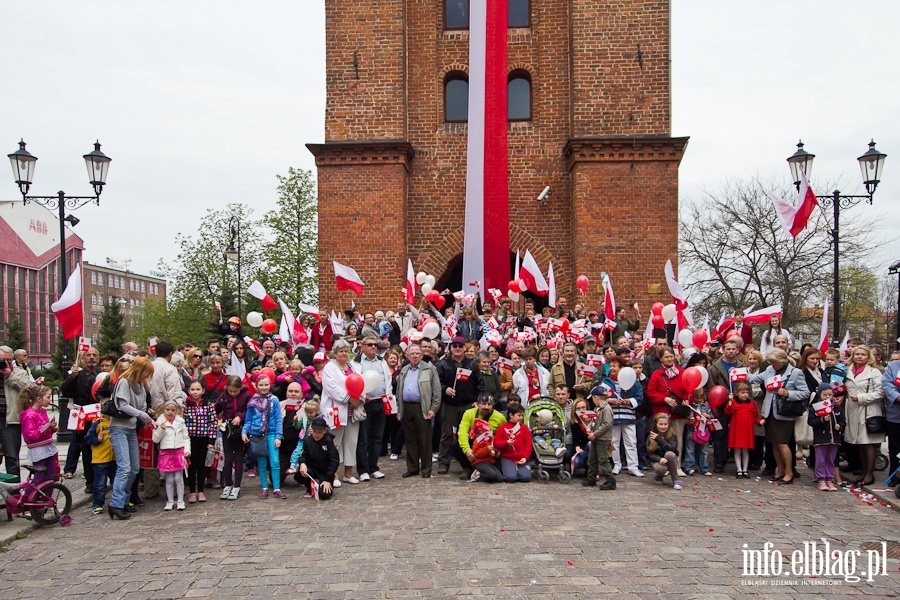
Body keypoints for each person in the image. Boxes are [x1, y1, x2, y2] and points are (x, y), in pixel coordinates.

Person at [747, 349, 809, 485]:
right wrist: (738, 374)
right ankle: (780, 470)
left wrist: (788, 393)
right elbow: (755, 379)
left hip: (784, 413)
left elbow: (805, 392)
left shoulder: (795, 373)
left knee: (782, 443)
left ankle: (789, 471)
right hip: (770, 411)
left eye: (774, 362)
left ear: (782, 361)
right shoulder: (769, 370)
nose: (771, 364)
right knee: (774, 443)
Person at [107, 357, 156, 520]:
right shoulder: (124, 382)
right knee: (124, 467)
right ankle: (116, 503)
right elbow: (123, 405)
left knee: (134, 467)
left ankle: (125, 499)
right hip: (119, 428)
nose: (147, 377)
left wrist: (147, 416)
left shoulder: (141, 385)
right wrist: (142, 415)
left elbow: (142, 406)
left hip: (131, 428)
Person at [436, 336, 485, 475]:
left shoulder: (472, 364)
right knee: (446, 435)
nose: (457, 348)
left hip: (468, 404)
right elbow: (437, 382)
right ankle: (443, 463)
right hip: (450, 405)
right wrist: (445, 389)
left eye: (460, 346)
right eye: (454, 346)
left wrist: (477, 400)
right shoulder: (443, 364)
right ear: (451, 348)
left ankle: (468, 463)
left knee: (469, 435)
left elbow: (480, 384)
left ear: (464, 348)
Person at [320, 339, 364, 487]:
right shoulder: (329, 368)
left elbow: (360, 383)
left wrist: (358, 398)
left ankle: (348, 473)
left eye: (346, 351)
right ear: (335, 353)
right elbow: (331, 387)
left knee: (351, 442)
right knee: (335, 443)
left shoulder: (354, 366)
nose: (344, 353)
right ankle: (334, 474)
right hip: (336, 410)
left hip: (353, 411)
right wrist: (348, 399)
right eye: (341, 351)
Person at [396, 344, 441, 478]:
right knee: (410, 439)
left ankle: (426, 469)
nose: (414, 356)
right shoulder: (404, 370)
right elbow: (398, 391)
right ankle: (412, 467)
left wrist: (433, 409)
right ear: (407, 355)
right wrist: (399, 409)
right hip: (407, 407)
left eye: (417, 353)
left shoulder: (429, 369)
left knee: (425, 439)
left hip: (422, 407)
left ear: (421, 355)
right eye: (412, 353)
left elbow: (437, 391)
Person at [843, 346, 885, 487]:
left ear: (869, 357)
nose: (860, 357)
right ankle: (863, 470)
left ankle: (869, 474)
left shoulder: (874, 372)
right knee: (859, 443)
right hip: (852, 410)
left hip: (868, 410)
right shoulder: (848, 371)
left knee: (867, 443)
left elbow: (880, 393)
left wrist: (861, 397)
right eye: (857, 354)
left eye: (863, 354)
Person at [354, 335, 392, 482]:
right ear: (362, 347)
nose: (373, 347)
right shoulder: (356, 363)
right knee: (363, 438)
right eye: (370, 345)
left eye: (375, 345)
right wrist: (363, 395)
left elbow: (387, 380)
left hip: (380, 402)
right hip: (365, 404)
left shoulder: (382, 362)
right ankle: (363, 469)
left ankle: (374, 467)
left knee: (377, 437)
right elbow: (354, 382)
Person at [61, 346, 100, 490]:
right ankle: (90, 482)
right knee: (86, 451)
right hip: (83, 417)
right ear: (83, 358)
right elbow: (65, 391)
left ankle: (100, 479)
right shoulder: (77, 375)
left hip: (98, 416)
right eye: (88, 355)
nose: (91, 358)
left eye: (94, 355)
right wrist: (72, 377)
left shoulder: (101, 374)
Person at [646, 347, 689, 475]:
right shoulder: (657, 374)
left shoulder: (682, 372)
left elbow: (688, 389)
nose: (670, 359)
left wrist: (686, 399)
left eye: (671, 356)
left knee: (678, 440)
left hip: (678, 412)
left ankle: (677, 466)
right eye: (667, 357)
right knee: (661, 440)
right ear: (661, 359)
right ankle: (664, 465)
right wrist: (664, 399)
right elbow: (651, 393)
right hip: (663, 412)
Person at [242, 375, 285, 499]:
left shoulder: (274, 400)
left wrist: (278, 436)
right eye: (261, 385)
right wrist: (244, 432)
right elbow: (249, 419)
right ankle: (264, 487)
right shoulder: (253, 401)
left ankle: (276, 488)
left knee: (275, 461)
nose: (264, 387)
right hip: (257, 434)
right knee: (261, 462)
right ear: (256, 386)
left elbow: (278, 419)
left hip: (271, 433)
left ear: (270, 385)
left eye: (266, 385)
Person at [600, 356, 644, 477]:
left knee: (631, 442)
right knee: (614, 442)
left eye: (614, 366)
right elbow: (600, 398)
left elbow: (639, 397)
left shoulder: (634, 383)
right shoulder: (606, 382)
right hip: (613, 417)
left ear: (622, 368)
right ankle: (616, 464)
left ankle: (633, 466)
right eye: (611, 366)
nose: (612, 368)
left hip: (628, 417)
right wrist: (610, 401)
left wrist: (629, 401)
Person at [707, 338, 745, 473]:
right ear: (723, 350)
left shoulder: (741, 366)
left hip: (739, 404)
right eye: (728, 349)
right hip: (721, 405)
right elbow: (711, 387)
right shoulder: (716, 366)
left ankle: (740, 463)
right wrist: (713, 405)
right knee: (720, 433)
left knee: (738, 432)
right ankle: (719, 462)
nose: (730, 351)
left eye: (733, 349)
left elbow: (746, 384)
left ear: (737, 350)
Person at [214, 375, 251, 500]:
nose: (233, 393)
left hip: (240, 430)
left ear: (241, 388)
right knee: (228, 458)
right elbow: (215, 410)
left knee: (239, 458)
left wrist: (240, 417)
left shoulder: (246, 396)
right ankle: (228, 484)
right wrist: (218, 420)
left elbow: (250, 411)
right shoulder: (223, 397)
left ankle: (237, 486)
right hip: (227, 430)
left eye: (236, 391)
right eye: (231, 391)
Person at [456, 394, 506, 482]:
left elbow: (504, 436)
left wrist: (499, 450)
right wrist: (467, 450)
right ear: (477, 404)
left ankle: (482, 470)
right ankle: (467, 468)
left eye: (489, 404)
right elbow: (462, 432)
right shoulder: (468, 413)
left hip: (490, 448)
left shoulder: (500, 417)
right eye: (483, 404)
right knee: (455, 444)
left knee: (499, 478)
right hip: (474, 446)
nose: (486, 407)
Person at [18, 385, 58, 490]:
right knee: (39, 476)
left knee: (51, 475)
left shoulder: (42, 411)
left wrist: (51, 428)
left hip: (47, 446)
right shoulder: (29, 415)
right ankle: (27, 496)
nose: (50, 400)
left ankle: (46, 500)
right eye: (48, 397)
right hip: (38, 449)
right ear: (39, 399)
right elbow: (30, 435)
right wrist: (45, 429)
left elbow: (44, 431)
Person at [183, 380, 217, 503]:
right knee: (191, 466)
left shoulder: (208, 405)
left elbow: (213, 422)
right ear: (188, 391)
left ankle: (201, 490)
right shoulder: (185, 406)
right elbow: (183, 423)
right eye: (193, 389)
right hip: (190, 438)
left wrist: (211, 440)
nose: (195, 392)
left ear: (202, 391)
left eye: (198, 389)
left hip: (203, 438)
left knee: (201, 465)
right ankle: (192, 491)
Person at [152, 400, 190, 511]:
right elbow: (155, 439)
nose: (170, 412)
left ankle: (180, 500)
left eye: (173, 410)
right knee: (168, 479)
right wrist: (161, 429)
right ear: (163, 410)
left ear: (177, 411)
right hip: (166, 452)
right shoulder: (159, 423)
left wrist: (187, 450)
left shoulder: (180, 422)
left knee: (179, 478)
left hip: (178, 452)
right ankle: (170, 501)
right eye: (167, 410)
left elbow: (186, 437)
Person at [1, 345, 30, 480]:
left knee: (12, 458)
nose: (5, 363)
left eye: (8, 360)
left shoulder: (19, 372)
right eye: (2, 360)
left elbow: (29, 389)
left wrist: (10, 375)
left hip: (10, 420)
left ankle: (14, 494)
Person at [807, 383, 844, 491]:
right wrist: (822, 420)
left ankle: (830, 479)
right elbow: (811, 421)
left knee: (830, 460)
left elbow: (842, 421)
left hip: (834, 439)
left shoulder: (836, 408)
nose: (828, 397)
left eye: (830, 395)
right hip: (821, 439)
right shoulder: (816, 408)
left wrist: (840, 427)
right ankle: (821, 479)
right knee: (821, 459)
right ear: (820, 395)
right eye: (825, 395)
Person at [293, 416, 339, 500]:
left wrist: (327, 479)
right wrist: (302, 463)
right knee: (304, 472)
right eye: (315, 431)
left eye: (320, 432)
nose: (317, 434)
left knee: (324, 495)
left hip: (326, 472)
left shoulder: (328, 441)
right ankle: (309, 488)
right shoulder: (307, 440)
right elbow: (303, 455)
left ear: (325, 431)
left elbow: (334, 460)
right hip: (312, 469)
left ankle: (325, 485)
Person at [725, 381, 762, 478]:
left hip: (747, 430)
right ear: (736, 393)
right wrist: (729, 401)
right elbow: (728, 412)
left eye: (747, 392)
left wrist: (759, 422)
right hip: (737, 430)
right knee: (737, 450)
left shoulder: (752, 404)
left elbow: (755, 417)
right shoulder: (734, 403)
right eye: (743, 392)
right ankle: (739, 469)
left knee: (745, 450)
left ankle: (745, 469)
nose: (745, 395)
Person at [582, 385, 615, 490]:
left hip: (603, 439)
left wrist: (595, 434)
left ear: (596, 397)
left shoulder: (607, 409)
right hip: (596, 438)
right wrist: (589, 428)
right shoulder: (597, 408)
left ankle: (610, 481)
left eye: (592, 398)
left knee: (603, 460)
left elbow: (607, 424)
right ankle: (591, 478)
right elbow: (593, 420)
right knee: (592, 459)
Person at [493, 402, 532, 482]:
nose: (521, 418)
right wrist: (506, 442)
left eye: (522, 415)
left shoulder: (524, 428)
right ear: (511, 415)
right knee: (510, 478)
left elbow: (528, 443)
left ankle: (520, 471)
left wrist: (525, 457)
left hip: (521, 457)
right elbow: (496, 443)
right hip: (508, 457)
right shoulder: (502, 428)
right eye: (519, 415)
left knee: (525, 478)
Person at [647, 413, 682, 489]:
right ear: (656, 424)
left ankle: (675, 480)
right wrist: (659, 459)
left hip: (671, 458)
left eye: (665, 424)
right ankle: (659, 477)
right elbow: (650, 454)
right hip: (658, 460)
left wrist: (659, 439)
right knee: (660, 469)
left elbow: (673, 450)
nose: (663, 426)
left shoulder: (672, 434)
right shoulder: (651, 436)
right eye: (660, 424)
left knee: (670, 454)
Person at [287, 399, 321, 474]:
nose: (308, 414)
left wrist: (315, 432)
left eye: (311, 413)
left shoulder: (319, 420)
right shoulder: (304, 418)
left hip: (314, 441)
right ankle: (293, 465)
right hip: (303, 439)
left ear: (316, 412)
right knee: (297, 451)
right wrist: (295, 421)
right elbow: (297, 426)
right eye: (307, 412)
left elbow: (323, 431)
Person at [880, 358, 900, 487]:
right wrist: (897, 397)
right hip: (896, 416)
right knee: (896, 448)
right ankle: (896, 477)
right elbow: (887, 384)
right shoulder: (893, 366)